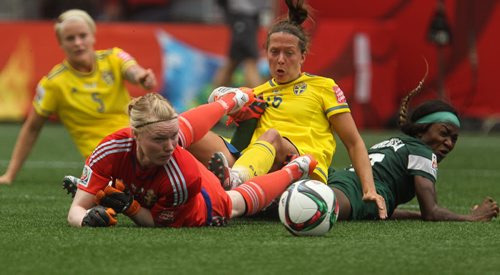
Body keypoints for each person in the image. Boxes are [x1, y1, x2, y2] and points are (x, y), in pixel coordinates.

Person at [197, 0, 387, 219]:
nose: (280, 60)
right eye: (274, 52)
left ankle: (234, 184)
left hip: (305, 172)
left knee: (273, 137)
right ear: (265, 54)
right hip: (258, 167)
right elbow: (241, 144)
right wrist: (238, 117)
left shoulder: (324, 87)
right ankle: (185, 193)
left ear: (303, 56)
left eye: (289, 53)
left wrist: (369, 190)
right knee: (194, 137)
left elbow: (354, 143)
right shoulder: (256, 93)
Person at [66, 91, 317, 227]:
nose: (169, 146)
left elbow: (151, 221)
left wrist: (129, 206)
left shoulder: (182, 177)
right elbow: (75, 211)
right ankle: (231, 100)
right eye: (159, 139)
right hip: (150, 180)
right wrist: (85, 219)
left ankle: (295, 168)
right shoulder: (110, 148)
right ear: (135, 135)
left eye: (172, 138)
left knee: (232, 203)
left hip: (200, 204)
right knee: (180, 131)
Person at [0, 9, 157, 185]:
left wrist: (142, 77)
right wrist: (10, 174)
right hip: (105, 155)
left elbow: (133, 71)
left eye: (83, 36)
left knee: (181, 127)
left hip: (138, 138)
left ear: (93, 36)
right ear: (61, 42)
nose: (78, 43)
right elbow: (31, 128)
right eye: (70, 38)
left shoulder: (114, 57)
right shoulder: (53, 83)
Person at [327, 78, 499, 221]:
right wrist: (473, 217)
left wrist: (415, 215)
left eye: (454, 139)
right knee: (318, 210)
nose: (449, 143)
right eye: (444, 133)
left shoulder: (397, 143)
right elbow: (431, 212)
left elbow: (385, 211)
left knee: (311, 203)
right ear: (421, 129)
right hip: (355, 191)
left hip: (340, 178)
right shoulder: (423, 152)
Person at [212, 0, 269, 88]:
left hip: (248, 16)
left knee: (233, 61)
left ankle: (214, 95)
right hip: (243, 15)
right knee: (250, 60)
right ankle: (257, 98)